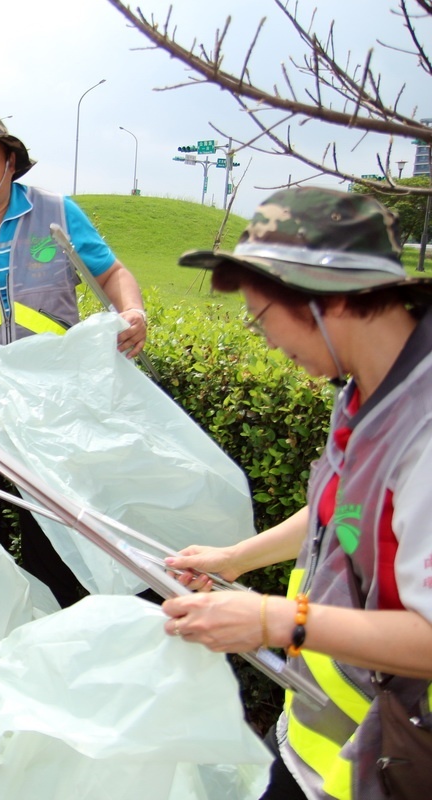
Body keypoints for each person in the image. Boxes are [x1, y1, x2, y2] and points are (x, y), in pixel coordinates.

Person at [161, 187, 432, 800]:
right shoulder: (368, 385)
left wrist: (272, 619)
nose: (265, 340)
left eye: (262, 317)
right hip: (327, 736)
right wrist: (235, 560)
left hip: (397, 757)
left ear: (327, 297)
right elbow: (344, 511)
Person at [0, 111, 147, 606]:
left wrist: (133, 310)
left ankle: (44, 638)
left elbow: (112, 272)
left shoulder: (56, 213)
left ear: (10, 162)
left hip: (52, 403)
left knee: (53, 533)